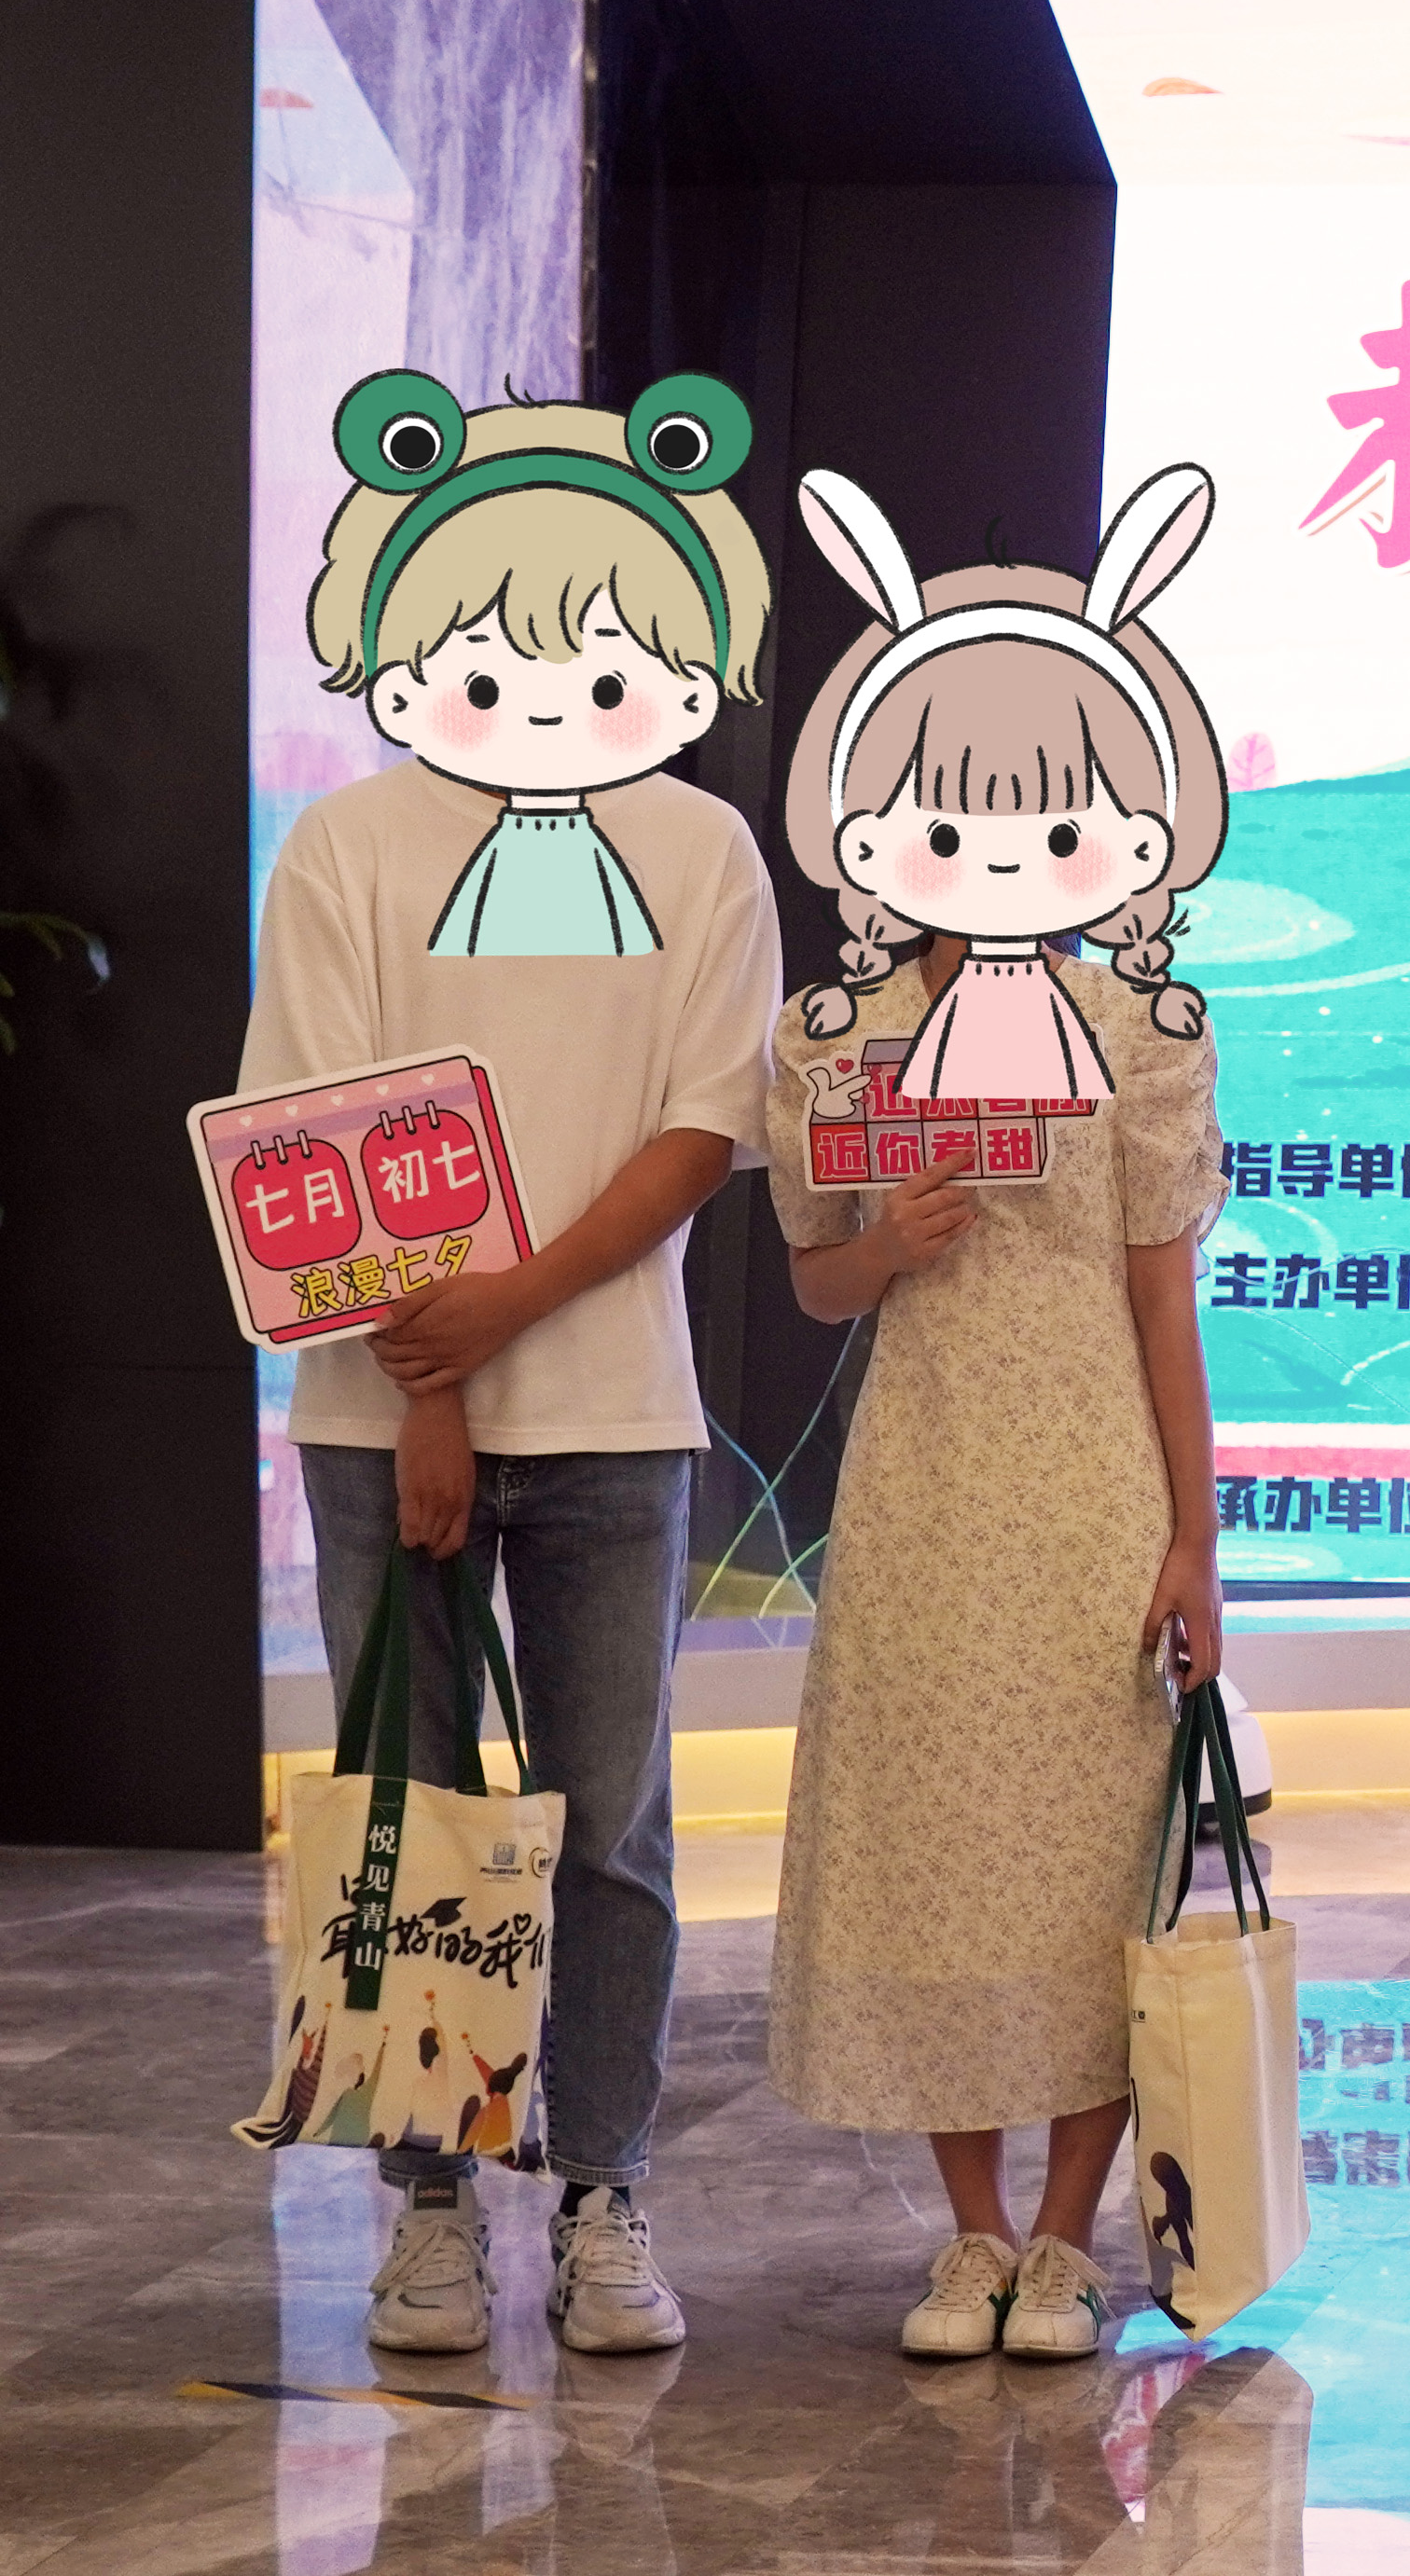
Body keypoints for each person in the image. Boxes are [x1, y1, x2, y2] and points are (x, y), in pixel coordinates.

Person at [248, 372, 785, 2358]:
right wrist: (435, 1394)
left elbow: (701, 1130)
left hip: (619, 1416)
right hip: (384, 1415)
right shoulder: (349, 847)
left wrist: (500, 1317)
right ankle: (425, 2207)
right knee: (412, 1816)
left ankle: (605, 2191)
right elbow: (325, 1136)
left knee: (610, 1823)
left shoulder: (704, 848)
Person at [762, 475, 1234, 2363]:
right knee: (933, 1851)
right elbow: (815, 1283)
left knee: (1091, 1857)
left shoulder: (1138, 1033)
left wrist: (1195, 1538)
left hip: (1090, 1479)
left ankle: (1066, 2238)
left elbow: (1162, 1296)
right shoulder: (841, 1037)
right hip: (925, 1478)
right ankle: (968, 2234)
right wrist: (884, 1245)